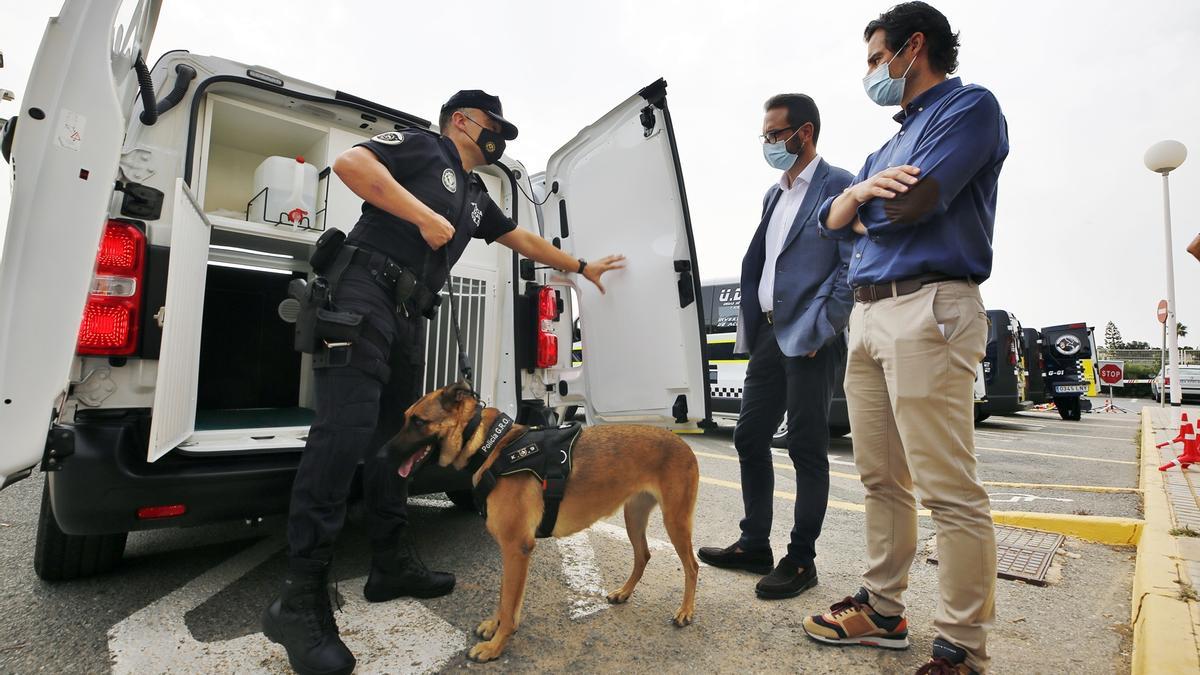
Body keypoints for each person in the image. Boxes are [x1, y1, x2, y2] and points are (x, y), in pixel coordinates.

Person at [262, 89, 625, 675]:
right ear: (462, 120)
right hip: (361, 294)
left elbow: (522, 241)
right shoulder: (425, 149)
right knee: (341, 436)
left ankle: (390, 563)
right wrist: (423, 215)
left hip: (405, 313)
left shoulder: (479, 197)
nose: (500, 139)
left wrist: (579, 267)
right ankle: (297, 599)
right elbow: (354, 164)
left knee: (394, 444)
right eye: (493, 126)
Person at [799, 3, 1008, 674]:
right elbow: (831, 220)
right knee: (881, 476)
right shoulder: (885, 146)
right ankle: (883, 609)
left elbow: (920, 202)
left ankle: (961, 649)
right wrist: (860, 192)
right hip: (868, 313)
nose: (872, 72)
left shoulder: (969, 108)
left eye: (875, 57)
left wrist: (865, 208)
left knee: (948, 487)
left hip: (930, 307)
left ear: (914, 47)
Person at [697, 94, 854, 599]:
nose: (767, 143)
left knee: (807, 447)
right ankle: (754, 543)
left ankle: (801, 560)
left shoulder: (839, 184)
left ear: (803, 133)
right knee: (749, 436)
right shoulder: (773, 194)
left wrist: (824, 325)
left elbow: (852, 263)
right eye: (764, 135)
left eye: (773, 134)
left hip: (810, 337)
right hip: (768, 333)